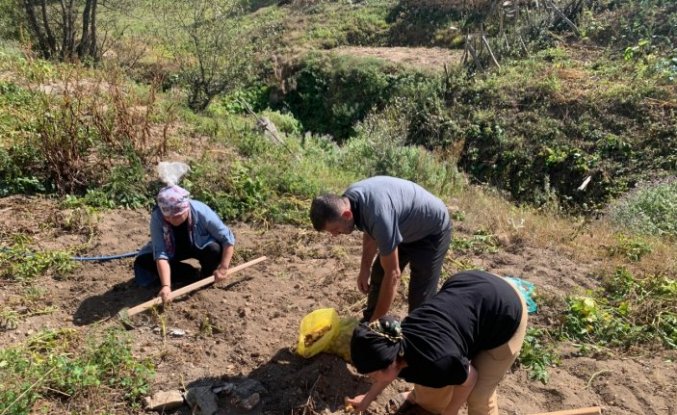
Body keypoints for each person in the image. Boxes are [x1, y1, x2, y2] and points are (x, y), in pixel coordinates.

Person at [346, 270, 528, 415]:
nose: (371, 379)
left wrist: (451, 411)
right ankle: (421, 399)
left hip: (505, 313)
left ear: (392, 362)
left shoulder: (437, 360)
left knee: (479, 397)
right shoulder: (393, 339)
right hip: (472, 287)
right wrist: (367, 398)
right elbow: (386, 370)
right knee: (432, 381)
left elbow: (470, 378)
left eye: (372, 375)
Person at [309, 176, 451, 322]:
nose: (333, 235)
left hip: (432, 230)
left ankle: (417, 335)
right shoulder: (350, 201)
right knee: (379, 273)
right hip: (404, 227)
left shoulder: (378, 215)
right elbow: (371, 231)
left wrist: (375, 322)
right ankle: (370, 320)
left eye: (335, 229)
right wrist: (364, 269)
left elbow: (393, 274)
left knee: (420, 296)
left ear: (346, 215)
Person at [134, 185, 235, 303]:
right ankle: (189, 273)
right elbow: (161, 254)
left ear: (185, 208)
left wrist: (223, 268)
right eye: (168, 217)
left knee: (215, 249)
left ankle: (207, 276)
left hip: (199, 245)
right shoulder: (157, 218)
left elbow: (227, 239)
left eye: (176, 216)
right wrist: (166, 286)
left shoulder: (201, 211)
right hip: (173, 249)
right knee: (144, 260)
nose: (172, 220)